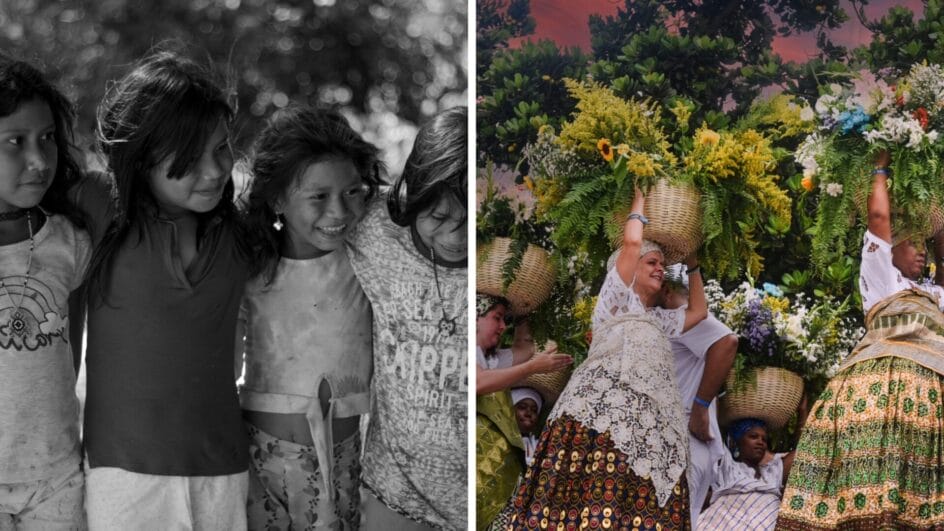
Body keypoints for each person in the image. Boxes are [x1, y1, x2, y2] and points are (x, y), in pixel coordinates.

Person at [75, 46, 251, 529]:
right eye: (190, 158)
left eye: (221, 148)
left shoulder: (242, 235)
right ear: (141, 158)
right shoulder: (98, 206)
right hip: (122, 477)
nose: (215, 171)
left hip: (223, 474)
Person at [506, 186, 708, 530]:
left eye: (662, 264)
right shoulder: (615, 301)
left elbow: (699, 312)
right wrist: (640, 201)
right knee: (593, 500)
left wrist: (692, 263)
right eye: (652, 262)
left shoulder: (659, 320)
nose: (660, 269)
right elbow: (631, 244)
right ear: (629, 269)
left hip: (648, 428)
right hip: (598, 420)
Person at [776, 150, 944, 529]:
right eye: (911, 242)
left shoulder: (935, 294)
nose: (921, 251)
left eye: (925, 243)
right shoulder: (882, 276)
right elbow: (879, 217)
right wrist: (880, 165)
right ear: (890, 248)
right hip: (879, 396)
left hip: (926, 407)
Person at [238, 106, 382, 529]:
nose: (339, 212)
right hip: (258, 462)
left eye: (352, 192)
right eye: (318, 197)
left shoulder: (368, 263)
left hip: (343, 466)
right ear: (278, 199)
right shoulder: (248, 268)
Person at [347, 106, 467, 530]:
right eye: (439, 217)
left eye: (469, 222)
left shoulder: (497, 256)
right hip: (391, 494)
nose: (455, 237)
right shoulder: (373, 227)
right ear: (414, 196)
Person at [0, 55, 91, 530]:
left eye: (48, 137)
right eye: (15, 141)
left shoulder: (69, 242)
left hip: (56, 479)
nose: (39, 160)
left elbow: (70, 349)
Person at [475, 304, 571, 531]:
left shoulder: (492, 360)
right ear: (475, 317)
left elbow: (525, 348)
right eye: (497, 318)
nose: (502, 326)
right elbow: (477, 382)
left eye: (505, 320)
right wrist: (532, 367)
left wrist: (522, 310)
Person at [661, 270, 738, 527]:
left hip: (683, 437)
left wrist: (700, 406)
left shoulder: (681, 317)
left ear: (667, 290)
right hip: (683, 439)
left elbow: (727, 342)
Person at [699, 419, 795, 530]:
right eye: (753, 437)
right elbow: (709, 428)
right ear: (737, 442)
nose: (760, 442)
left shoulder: (773, 472)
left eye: (764, 439)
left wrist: (803, 412)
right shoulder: (728, 467)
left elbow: (805, 453)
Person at [511, 387, 543, 466]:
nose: (528, 413)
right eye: (522, 407)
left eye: (534, 410)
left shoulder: (540, 446)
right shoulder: (496, 438)